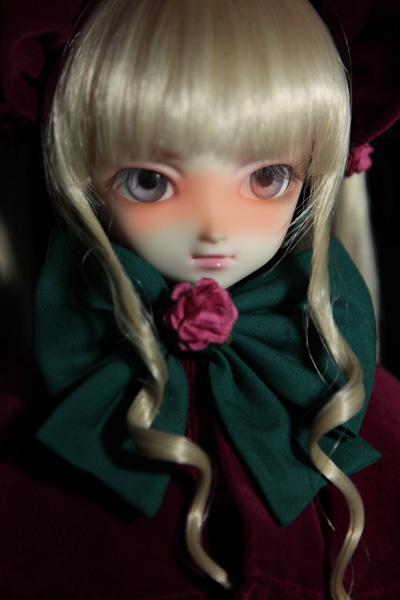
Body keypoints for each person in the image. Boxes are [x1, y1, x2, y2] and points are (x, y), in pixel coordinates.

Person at [1, 1, 400, 599]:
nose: (213, 228)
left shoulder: (367, 406)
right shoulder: (23, 433)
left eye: (266, 177)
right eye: (150, 181)